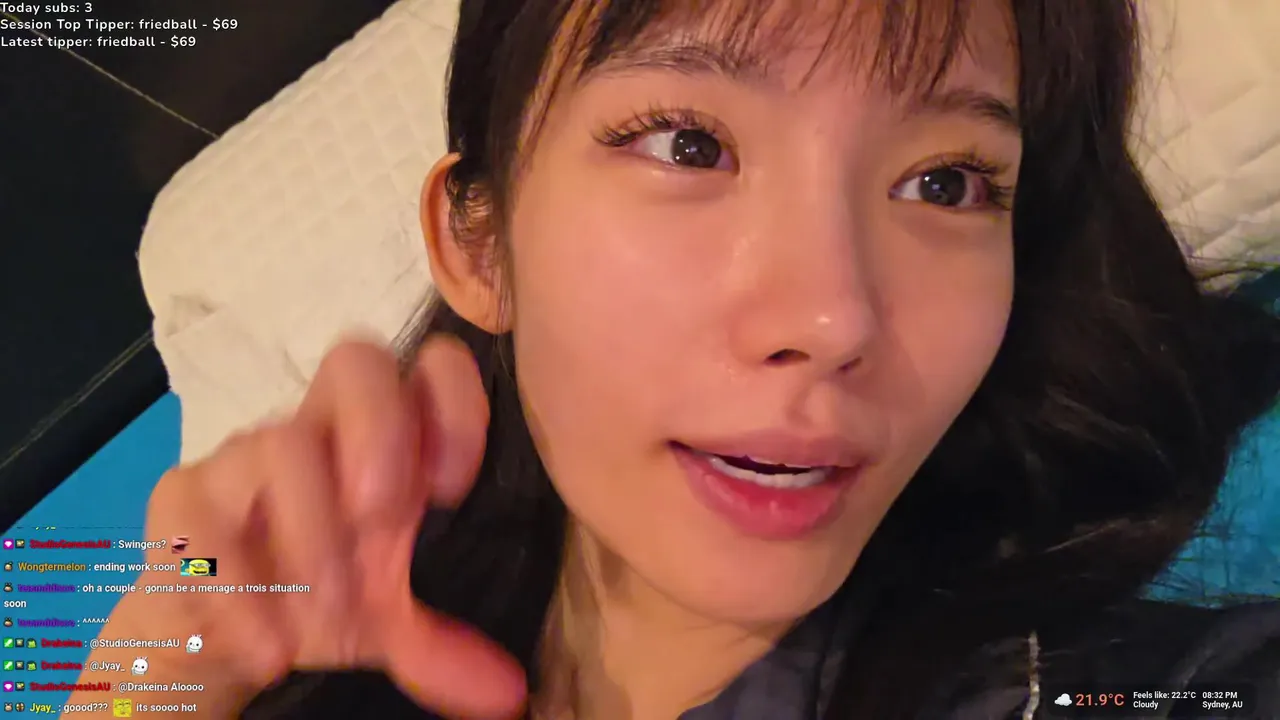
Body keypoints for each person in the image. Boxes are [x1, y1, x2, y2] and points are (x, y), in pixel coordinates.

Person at [73, 0, 1280, 718]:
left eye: (945, 183)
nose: (833, 318)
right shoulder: (297, 653)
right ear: (477, 243)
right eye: (687, 145)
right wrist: (154, 673)